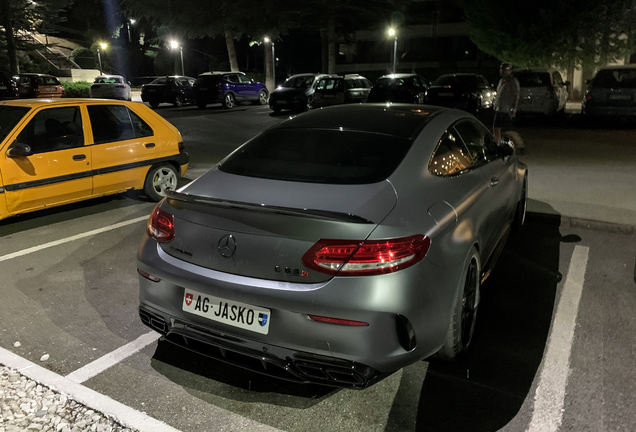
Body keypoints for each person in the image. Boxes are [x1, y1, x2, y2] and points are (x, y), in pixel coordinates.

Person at [493, 62, 526, 154]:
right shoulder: (501, 81)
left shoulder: (513, 81)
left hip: (507, 109)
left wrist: (513, 109)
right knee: (496, 129)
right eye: (501, 69)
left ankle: (520, 145)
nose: (502, 71)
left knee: (508, 130)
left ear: (510, 70)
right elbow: (498, 93)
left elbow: (516, 95)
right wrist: (495, 103)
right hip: (499, 108)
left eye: (505, 70)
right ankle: (496, 146)